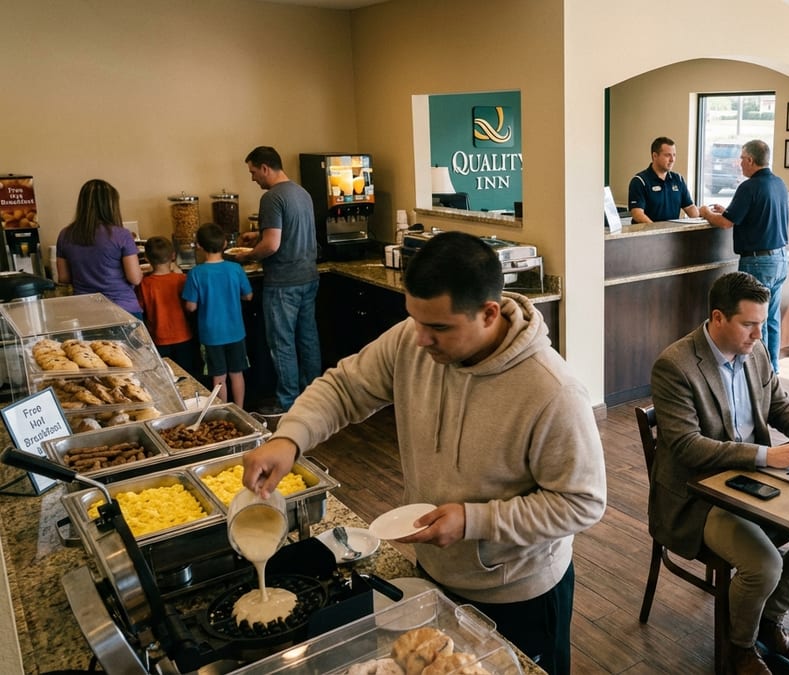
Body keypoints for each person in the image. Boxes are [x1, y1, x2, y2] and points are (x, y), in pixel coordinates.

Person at [240, 231, 606, 674]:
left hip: (519, 594)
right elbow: (344, 387)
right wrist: (289, 438)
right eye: (414, 319)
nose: (420, 339)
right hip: (434, 573)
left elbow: (582, 501)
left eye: (438, 327)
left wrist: (475, 521)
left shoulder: (552, 392)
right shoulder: (411, 343)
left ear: (489, 313)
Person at [649, 271, 789, 675]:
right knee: (765, 565)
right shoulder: (675, 366)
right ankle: (739, 647)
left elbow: (778, 403)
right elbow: (687, 447)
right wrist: (766, 456)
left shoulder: (756, 352)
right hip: (698, 496)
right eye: (749, 324)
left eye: (761, 322)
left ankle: (767, 620)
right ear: (718, 318)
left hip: (755, 483)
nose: (759, 333)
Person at [235, 146, 321, 412]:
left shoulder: (272, 198)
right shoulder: (301, 192)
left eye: (252, 172)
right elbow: (290, 234)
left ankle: (288, 403)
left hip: (283, 282)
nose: (252, 178)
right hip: (308, 276)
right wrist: (257, 238)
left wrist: (247, 256)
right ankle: (316, 397)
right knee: (308, 338)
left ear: (264, 168)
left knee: (282, 343)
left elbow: (272, 245)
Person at [699, 140, 789, 372]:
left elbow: (725, 223)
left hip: (758, 261)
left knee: (755, 319)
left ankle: (758, 372)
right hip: (780, 259)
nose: (739, 163)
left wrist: (706, 212)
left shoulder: (749, 187)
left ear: (750, 160)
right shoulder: (779, 184)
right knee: (771, 318)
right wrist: (726, 210)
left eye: (741, 158)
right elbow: (745, 214)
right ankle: (772, 369)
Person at [184, 223, 253, 408]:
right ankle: (240, 410)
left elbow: (190, 306)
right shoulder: (235, 269)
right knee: (237, 374)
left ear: (199, 245)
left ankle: (225, 414)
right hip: (236, 331)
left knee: (219, 377)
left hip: (211, 335)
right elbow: (248, 295)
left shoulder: (196, 273)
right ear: (224, 244)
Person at [56, 179, 144, 317]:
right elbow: (134, 278)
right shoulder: (122, 235)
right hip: (122, 309)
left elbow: (64, 277)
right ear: (110, 206)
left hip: (84, 310)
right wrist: (142, 272)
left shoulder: (65, 234)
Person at [135, 236, 202, 381]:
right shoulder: (182, 279)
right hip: (184, 336)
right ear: (173, 256)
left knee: (166, 379)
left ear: (146, 258)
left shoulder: (144, 284)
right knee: (188, 377)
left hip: (158, 339)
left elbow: (140, 308)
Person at [628, 136, 701, 223]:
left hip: (672, 234)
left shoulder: (678, 179)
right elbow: (637, 213)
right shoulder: (640, 181)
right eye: (667, 155)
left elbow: (689, 207)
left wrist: (704, 215)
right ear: (655, 156)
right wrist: (656, 230)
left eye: (674, 155)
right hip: (648, 234)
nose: (672, 159)